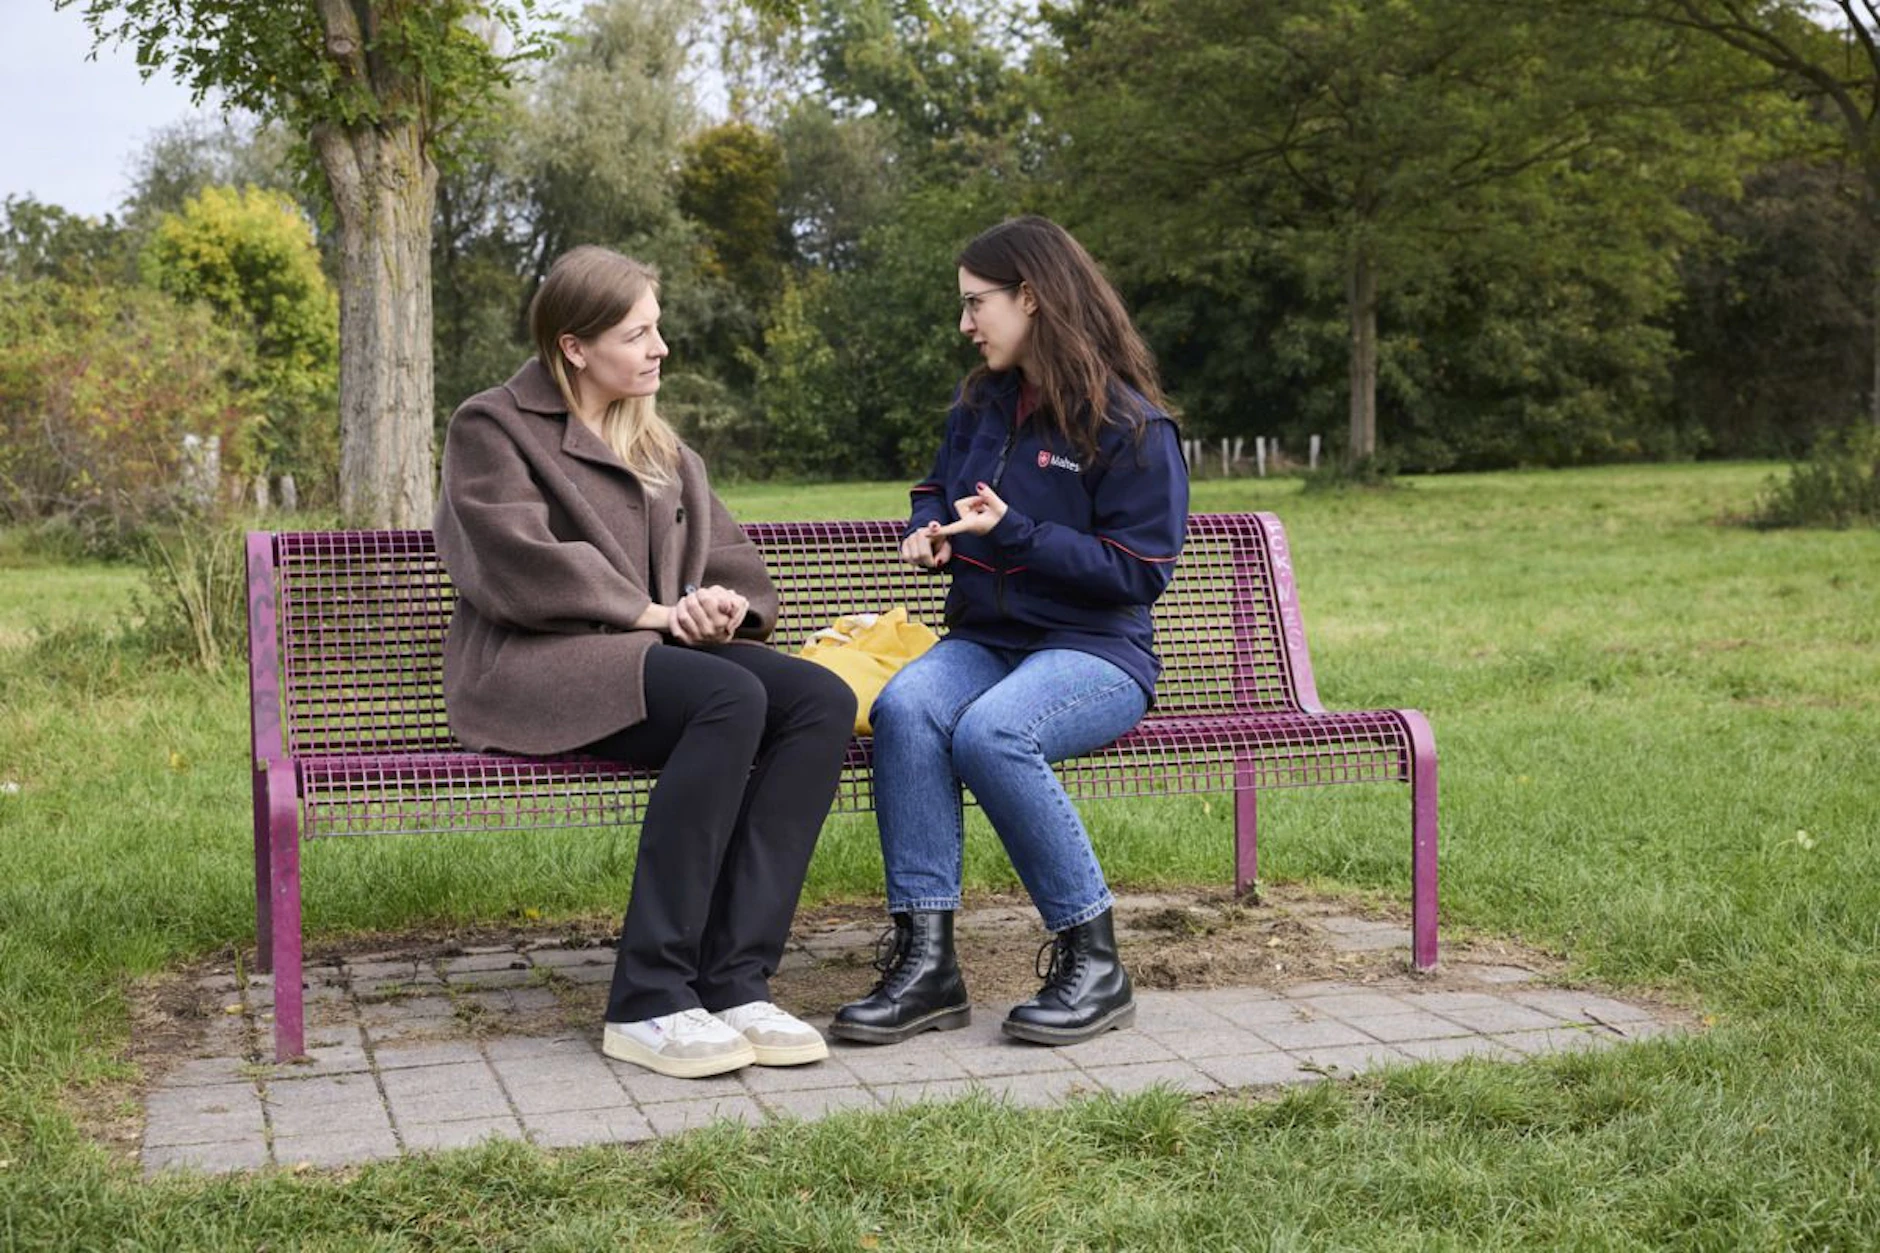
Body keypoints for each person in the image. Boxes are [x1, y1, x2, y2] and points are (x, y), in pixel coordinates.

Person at [434, 246, 856, 1079]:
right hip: (536, 668)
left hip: (655, 664)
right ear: (574, 346)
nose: (660, 348)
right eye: (637, 334)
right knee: (728, 696)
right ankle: (649, 998)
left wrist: (720, 605)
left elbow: (730, 562)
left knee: (819, 700)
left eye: (657, 328)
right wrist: (655, 613)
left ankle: (735, 980)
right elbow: (514, 560)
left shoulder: (662, 447)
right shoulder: (492, 427)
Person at [832, 215, 1189, 1048]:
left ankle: (1095, 962)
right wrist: (926, 527)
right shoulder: (982, 404)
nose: (966, 323)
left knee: (992, 733)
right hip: (987, 641)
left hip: (1095, 652)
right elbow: (937, 485)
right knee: (906, 706)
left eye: (975, 303)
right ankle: (928, 967)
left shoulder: (1133, 428)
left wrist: (1016, 533)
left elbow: (1138, 572)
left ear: (1031, 296)